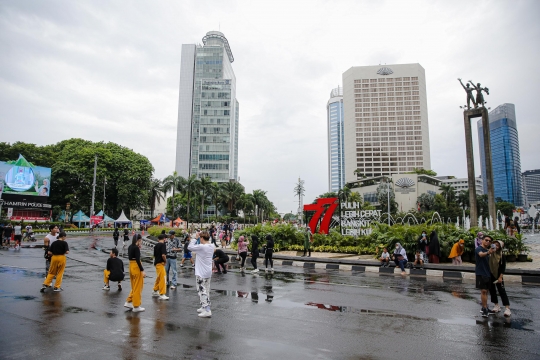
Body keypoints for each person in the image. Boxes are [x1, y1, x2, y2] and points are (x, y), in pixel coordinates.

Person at [188, 231, 215, 318]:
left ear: (202, 238)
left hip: (201, 272)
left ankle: (207, 309)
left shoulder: (201, 247)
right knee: (206, 289)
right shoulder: (211, 246)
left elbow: (189, 247)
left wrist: (195, 238)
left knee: (201, 290)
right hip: (208, 271)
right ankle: (205, 306)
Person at [475, 234, 497, 317]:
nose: (487, 242)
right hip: (481, 273)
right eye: (486, 240)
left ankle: (485, 307)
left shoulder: (488, 250)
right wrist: (488, 252)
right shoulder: (479, 249)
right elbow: (481, 254)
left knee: (486, 291)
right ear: (482, 240)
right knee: (483, 291)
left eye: (489, 241)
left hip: (487, 273)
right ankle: (484, 308)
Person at [489, 240, 511, 317]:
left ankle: (507, 308)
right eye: (494, 245)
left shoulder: (501, 255)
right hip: (490, 274)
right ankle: (496, 305)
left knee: (501, 290)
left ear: (500, 247)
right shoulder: (490, 253)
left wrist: (500, 277)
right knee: (492, 290)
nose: (495, 246)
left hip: (498, 275)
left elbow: (503, 267)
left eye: (497, 245)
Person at [124, 234, 146, 312]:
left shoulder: (130, 246)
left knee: (134, 286)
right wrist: (142, 270)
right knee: (138, 287)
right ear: (138, 240)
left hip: (131, 266)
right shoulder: (136, 248)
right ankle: (136, 306)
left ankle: (129, 301)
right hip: (136, 267)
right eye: (141, 240)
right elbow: (137, 259)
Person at [151, 234, 169, 300]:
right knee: (163, 278)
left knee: (159, 277)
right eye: (166, 238)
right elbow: (163, 255)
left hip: (157, 263)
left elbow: (155, 255)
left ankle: (155, 290)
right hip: (161, 263)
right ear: (164, 238)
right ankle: (162, 293)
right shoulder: (163, 245)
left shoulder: (156, 245)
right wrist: (165, 261)